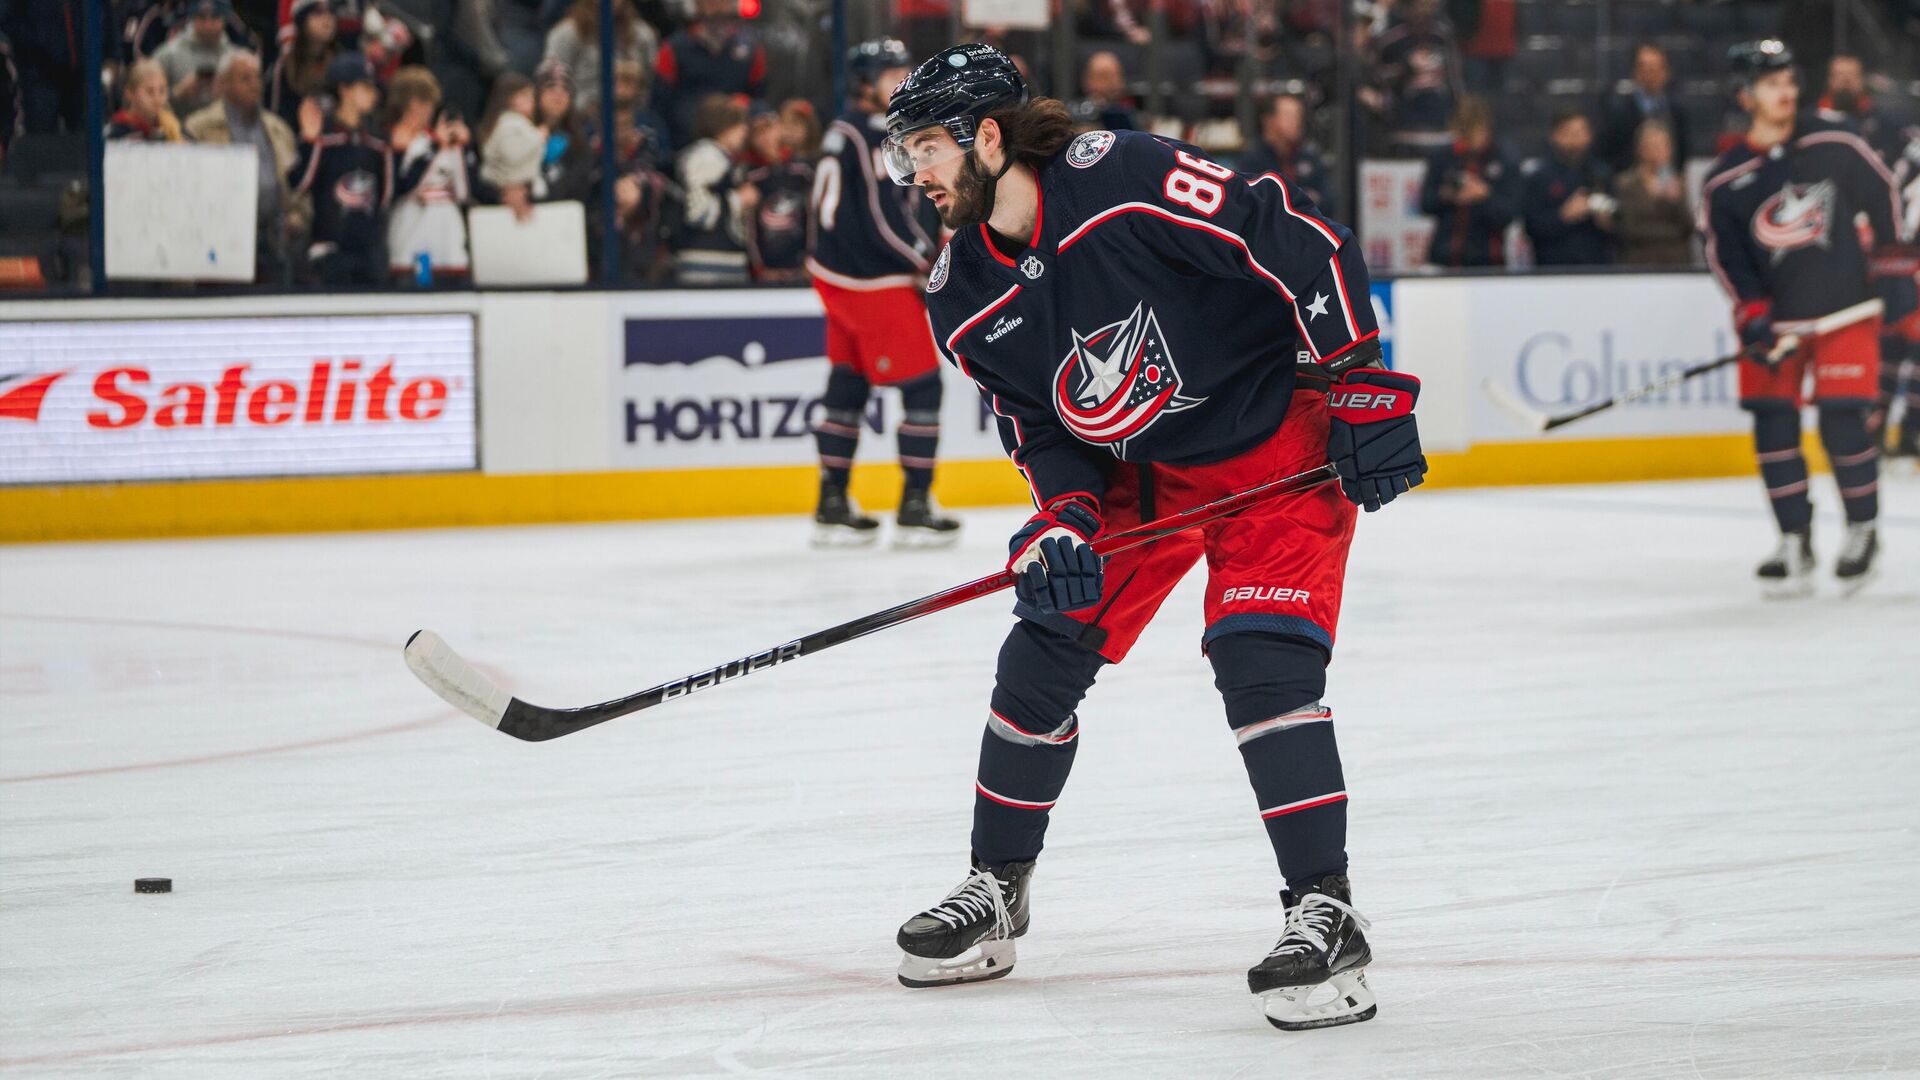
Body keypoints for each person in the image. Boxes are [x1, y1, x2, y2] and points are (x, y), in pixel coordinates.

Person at [880, 43, 1426, 1031]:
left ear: (988, 137)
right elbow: (1039, 426)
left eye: (926, 147)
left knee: (1260, 659)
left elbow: (1296, 238)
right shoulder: (959, 294)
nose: (914, 173)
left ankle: (1326, 912)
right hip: (1141, 475)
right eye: (907, 152)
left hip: (1273, 441)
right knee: (1041, 654)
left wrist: (1360, 376)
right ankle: (997, 888)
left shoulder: (1121, 176)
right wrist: (1063, 519)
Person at [1701, 40, 1901, 596]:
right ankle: (1794, 539)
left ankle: (1862, 530)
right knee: (1772, 422)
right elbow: (1727, 256)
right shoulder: (1725, 180)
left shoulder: (1835, 142)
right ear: (1746, 97)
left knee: (1842, 418)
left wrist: (1893, 265)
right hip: (1779, 324)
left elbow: (1883, 194)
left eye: (1789, 81)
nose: (1785, 92)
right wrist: (1752, 310)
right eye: (1771, 85)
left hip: (1846, 310)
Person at [805, 39, 957, 546]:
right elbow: (880, 214)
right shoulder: (866, 133)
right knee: (923, 387)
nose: (903, 81)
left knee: (847, 384)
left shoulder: (845, 129)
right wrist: (925, 259)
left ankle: (831, 502)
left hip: (838, 276)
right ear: (866, 83)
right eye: (893, 74)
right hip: (874, 279)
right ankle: (915, 505)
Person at [184, 50, 307, 283]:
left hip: (273, 237)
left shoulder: (279, 129)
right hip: (220, 238)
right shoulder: (199, 128)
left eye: (257, 77)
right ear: (223, 84)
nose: (254, 85)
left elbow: (298, 181)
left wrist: (298, 215)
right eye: (244, 78)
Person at [290, 51, 392, 285]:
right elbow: (299, 184)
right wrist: (309, 142)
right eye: (365, 87)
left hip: (368, 254)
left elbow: (385, 197)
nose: (373, 94)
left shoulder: (378, 143)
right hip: (329, 252)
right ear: (344, 89)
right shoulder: (322, 138)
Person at [383, 65, 471, 283]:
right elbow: (403, 186)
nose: (427, 109)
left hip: (447, 238)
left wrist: (462, 148)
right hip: (409, 232)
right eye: (422, 102)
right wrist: (434, 147)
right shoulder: (389, 142)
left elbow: (464, 193)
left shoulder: (438, 140)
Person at [652, 0, 766, 151]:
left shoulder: (750, 50)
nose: (716, 6)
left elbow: (759, 100)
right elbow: (659, 106)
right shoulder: (673, 48)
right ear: (697, 5)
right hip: (684, 144)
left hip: (736, 144)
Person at [1418, 94, 1515, 267]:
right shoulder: (1443, 157)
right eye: (1465, 135)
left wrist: (1484, 195)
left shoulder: (1504, 160)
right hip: (1444, 255)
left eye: (1476, 133)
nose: (1471, 141)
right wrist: (1447, 195)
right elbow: (1425, 204)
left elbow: (1509, 214)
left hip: (1487, 259)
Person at [671, 92, 755, 285]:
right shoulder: (706, 157)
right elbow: (698, 212)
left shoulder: (721, 158)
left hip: (722, 260)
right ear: (721, 126)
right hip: (707, 262)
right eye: (737, 124)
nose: (744, 130)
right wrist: (739, 200)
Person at [1520, 108, 1612, 266]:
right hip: (1554, 266)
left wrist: (1607, 221)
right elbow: (1531, 227)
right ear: (1554, 136)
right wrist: (1564, 215)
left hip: (1596, 266)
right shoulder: (1540, 177)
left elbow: (1622, 224)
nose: (1576, 140)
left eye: (1581, 132)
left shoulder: (1601, 173)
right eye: (1569, 133)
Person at [1373, 0, 1463, 155]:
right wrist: (1405, 68)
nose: (1422, 11)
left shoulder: (1442, 36)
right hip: (1405, 121)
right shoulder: (1390, 40)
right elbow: (1378, 77)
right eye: (1418, 5)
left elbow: (1454, 76)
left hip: (1440, 117)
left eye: (1427, 5)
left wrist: (1458, 107)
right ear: (1407, 8)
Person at [542, 0, 656, 115]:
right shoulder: (566, 34)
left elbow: (651, 85)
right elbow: (551, 80)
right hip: (581, 115)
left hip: (633, 113)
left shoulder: (643, 35)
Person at [740, 105, 811, 282]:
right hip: (766, 272)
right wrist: (759, 268)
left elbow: (814, 220)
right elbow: (748, 228)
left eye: (769, 128)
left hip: (802, 268)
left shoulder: (804, 171)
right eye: (758, 132)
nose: (765, 137)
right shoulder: (749, 176)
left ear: (779, 128)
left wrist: (811, 261)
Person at [1596, 42, 1690, 173]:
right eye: (1644, 68)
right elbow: (1605, 153)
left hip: (1667, 180)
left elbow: (1683, 152)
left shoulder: (1677, 111)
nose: (1650, 74)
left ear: (1666, 72)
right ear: (1635, 72)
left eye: (1655, 68)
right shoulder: (1618, 111)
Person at [1610, 119, 1692, 266]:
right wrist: (1669, 232)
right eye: (1654, 146)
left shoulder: (1679, 182)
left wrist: (1675, 202)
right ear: (1641, 149)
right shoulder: (1626, 183)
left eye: (1663, 146)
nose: (1659, 152)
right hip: (1640, 261)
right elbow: (1629, 229)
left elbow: (1688, 227)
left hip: (1676, 262)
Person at [1239, 94, 1336, 218]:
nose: (1296, 122)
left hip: (1307, 228)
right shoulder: (1253, 160)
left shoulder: (1310, 157)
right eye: (1288, 115)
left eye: (1299, 116)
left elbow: (1328, 202)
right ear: (1269, 120)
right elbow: (1254, 207)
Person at [152, 0, 237, 117]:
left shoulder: (237, 58)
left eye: (215, 17)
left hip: (224, 126)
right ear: (192, 19)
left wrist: (230, 95)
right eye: (201, 17)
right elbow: (147, 104)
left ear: (224, 19)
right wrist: (177, 95)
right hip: (178, 125)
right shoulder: (167, 55)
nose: (208, 25)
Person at [268, 0, 342, 129]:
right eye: (318, 13)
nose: (327, 19)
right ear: (302, 20)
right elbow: (276, 120)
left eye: (331, 12)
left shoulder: (342, 61)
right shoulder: (286, 65)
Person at [478, 72, 540, 221]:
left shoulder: (518, 122)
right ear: (509, 98)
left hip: (520, 189)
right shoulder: (509, 123)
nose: (531, 100)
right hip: (509, 190)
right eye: (524, 95)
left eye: (531, 96)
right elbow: (512, 154)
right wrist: (538, 137)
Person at [107, 60, 184, 142]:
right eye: (149, 91)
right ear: (130, 93)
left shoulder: (171, 125)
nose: (157, 98)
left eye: (162, 91)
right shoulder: (118, 130)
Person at [1075, 51, 1136, 132]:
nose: (1113, 82)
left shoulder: (1130, 112)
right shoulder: (1075, 113)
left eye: (1117, 75)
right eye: (1105, 76)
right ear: (1087, 80)